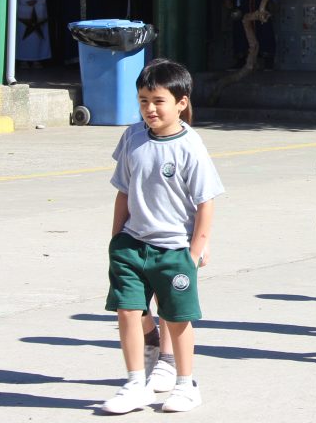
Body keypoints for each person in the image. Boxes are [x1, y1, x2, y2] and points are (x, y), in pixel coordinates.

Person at [102, 59, 222, 414]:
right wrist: (115, 241)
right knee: (128, 311)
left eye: (158, 101)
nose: (149, 109)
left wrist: (196, 249)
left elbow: (206, 202)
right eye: (143, 101)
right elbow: (123, 191)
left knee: (175, 317)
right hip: (132, 243)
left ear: (181, 102)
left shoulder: (191, 146)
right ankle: (135, 382)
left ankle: (185, 384)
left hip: (174, 248)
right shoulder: (133, 136)